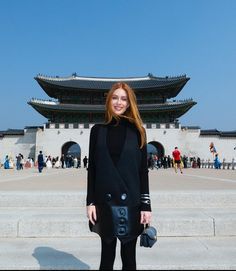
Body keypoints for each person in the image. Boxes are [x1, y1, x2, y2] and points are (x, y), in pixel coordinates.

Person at [86, 82, 152, 270]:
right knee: (106, 259)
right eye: (115, 98)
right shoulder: (97, 131)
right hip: (104, 202)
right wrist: (90, 202)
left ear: (129, 103)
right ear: (108, 101)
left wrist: (146, 205)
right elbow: (93, 169)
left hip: (131, 202)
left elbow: (143, 171)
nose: (119, 102)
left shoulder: (139, 132)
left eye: (123, 99)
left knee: (129, 259)